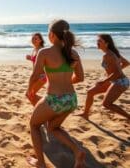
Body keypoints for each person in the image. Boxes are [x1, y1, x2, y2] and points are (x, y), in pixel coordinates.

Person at [27, 19, 85, 168]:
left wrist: (30, 89)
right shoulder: (73, 53)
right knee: (53, 128)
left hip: (54, 99)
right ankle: (77, 151)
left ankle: (40, 163)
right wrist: (64, 82)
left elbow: (35, 75)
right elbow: (80, 78)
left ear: (52, 34)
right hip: (71, 99)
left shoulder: (44, 52)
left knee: (34, 125)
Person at [79, 34, 129, 120]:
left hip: (120, 82)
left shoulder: (109, 55)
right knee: (90, 92)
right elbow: (126, 63)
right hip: (114, 80)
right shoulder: (111, 53)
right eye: (97, 41)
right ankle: (85, 114)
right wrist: (111, 74)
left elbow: (117, 73)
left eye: (100, 41)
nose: (97, 43)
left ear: (107, 43)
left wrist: (104, 81)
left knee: (106, 104)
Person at [26, 33, 47, 105]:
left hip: (42, 76)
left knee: (30, 94)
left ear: (40, 40)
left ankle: (48, 105)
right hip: (35, 75)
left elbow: (44, 63)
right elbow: (37, 62)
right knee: (30, 95)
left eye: (36, 38)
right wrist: (31, 59)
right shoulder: (34, 49)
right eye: (33, 38)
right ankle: (39, 111)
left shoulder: (42, 50)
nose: (33, 40)